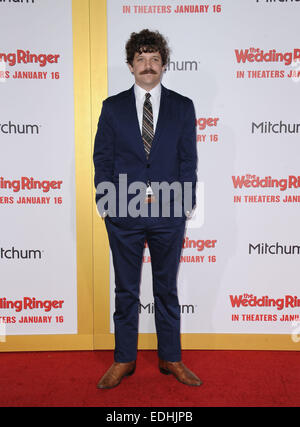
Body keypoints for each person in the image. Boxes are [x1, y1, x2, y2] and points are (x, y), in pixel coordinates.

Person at [93, 29, 201, 389]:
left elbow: (188, 159)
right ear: (130, 66)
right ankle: (124, 359)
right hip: (123, 214)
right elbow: (103, 158)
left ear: (164, 64)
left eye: (154, 59)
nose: (148, 65)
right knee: (126, 290)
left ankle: (170, 357)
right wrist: (106, 203)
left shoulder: (183, 107)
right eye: (141, 59)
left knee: (166, 290)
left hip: (169, 214)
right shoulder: (112, 108)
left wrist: (184, 201)